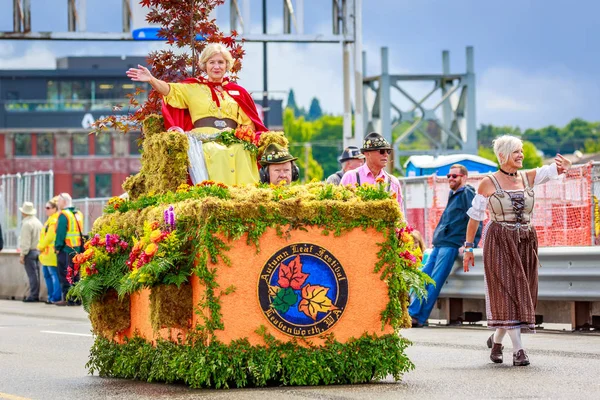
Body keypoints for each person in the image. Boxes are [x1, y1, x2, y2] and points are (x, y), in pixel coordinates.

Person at [463, 135, 572, 367]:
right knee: (506, 292)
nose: (521, 155)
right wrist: (468, 247)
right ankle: (519, 350)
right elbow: (475, 218)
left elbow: (552, 170)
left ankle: (497, 341)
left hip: (524, 240)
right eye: (516, 152)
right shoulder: (488, 182)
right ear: (502, 156)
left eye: (521, 151)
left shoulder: (527, 176)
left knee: (522, 293)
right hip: (499, 240)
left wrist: (564, 167)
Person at [126, 43, 267, 186]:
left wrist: (246, 135)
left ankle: (245, 194)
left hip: (232, 138)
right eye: (212, 62)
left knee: (243, 150)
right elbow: (169, 90)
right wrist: (152, 79)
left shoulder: (238, 91)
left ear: (227, 65)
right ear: (204, 65)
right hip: (202, 140)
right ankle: (217, 193)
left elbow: (248, 123)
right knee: (215, 151)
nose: (216, 66)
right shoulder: (192, 87)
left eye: (220, 62)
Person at [408, 164, 482, 327]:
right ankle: (412, 313)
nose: (450, 178)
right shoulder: (454, 194)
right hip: (440, 243)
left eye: (454, 176)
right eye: (448, 176)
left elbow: (477, 218)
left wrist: (470, 244)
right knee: (423, 278)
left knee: (434, 281)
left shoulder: (467, 193)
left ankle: (419, 318)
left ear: (464, 177)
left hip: (451, 244)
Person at [340, 132, 405, 211]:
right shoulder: (350, 177)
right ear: (367, 154)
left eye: (388, 151)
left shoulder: (393, 182)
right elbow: (340, 210)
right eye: (381, 151)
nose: (386, 155)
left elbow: (400, 216)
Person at [54, 193, 85, 306]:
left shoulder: (64, 215)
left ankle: (68, 298)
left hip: (66, 249)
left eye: (59, 201)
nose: (57, 203)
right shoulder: (78, 214)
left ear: (64, 202)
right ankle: (77, 298)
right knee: (76, 274)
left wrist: (57, 247)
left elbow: (60, 233)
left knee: (65, 274)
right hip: (77, 248)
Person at [37, 198, 62, 304]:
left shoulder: (54, 220)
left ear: (55, 209)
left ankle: (55, 297)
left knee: (53, 275)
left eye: (48, 208)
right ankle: (51, 296)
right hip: (46, 254)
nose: (46, 210)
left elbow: (50, 237)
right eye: (45, 207)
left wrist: (40, 246)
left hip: (51, 254)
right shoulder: (50, 220)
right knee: (48, 276)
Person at [17, 201, 43, 302]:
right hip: (37, 251)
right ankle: (35, 293)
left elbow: (25, 241)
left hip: (29, 252)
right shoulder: (38, 222)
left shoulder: (26, 224)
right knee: (36, 275)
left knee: (32, 275)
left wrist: (22, 254)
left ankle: (33, 295)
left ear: (24, 213)